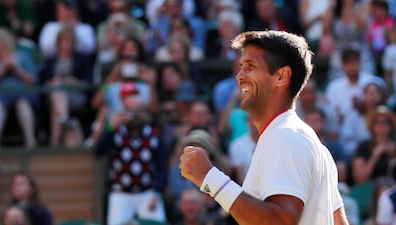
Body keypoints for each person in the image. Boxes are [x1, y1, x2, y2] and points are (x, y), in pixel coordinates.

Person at [179, 30, 349, 225]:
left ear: (281, 76)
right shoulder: (306, 140)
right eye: (241, 67)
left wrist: (209, 177)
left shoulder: (285, 136)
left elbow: (280, 221)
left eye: (250, 66)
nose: (240, 76)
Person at [95, 82, 167, 225]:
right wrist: (110, 127)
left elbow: (162, 167)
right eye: (131, 112)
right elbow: (98, 151)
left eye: (137, 112)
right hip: (121, 192)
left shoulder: (153, 135)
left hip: (147, 192)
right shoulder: (116, 132)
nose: (134, 117)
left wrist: (157, 193)